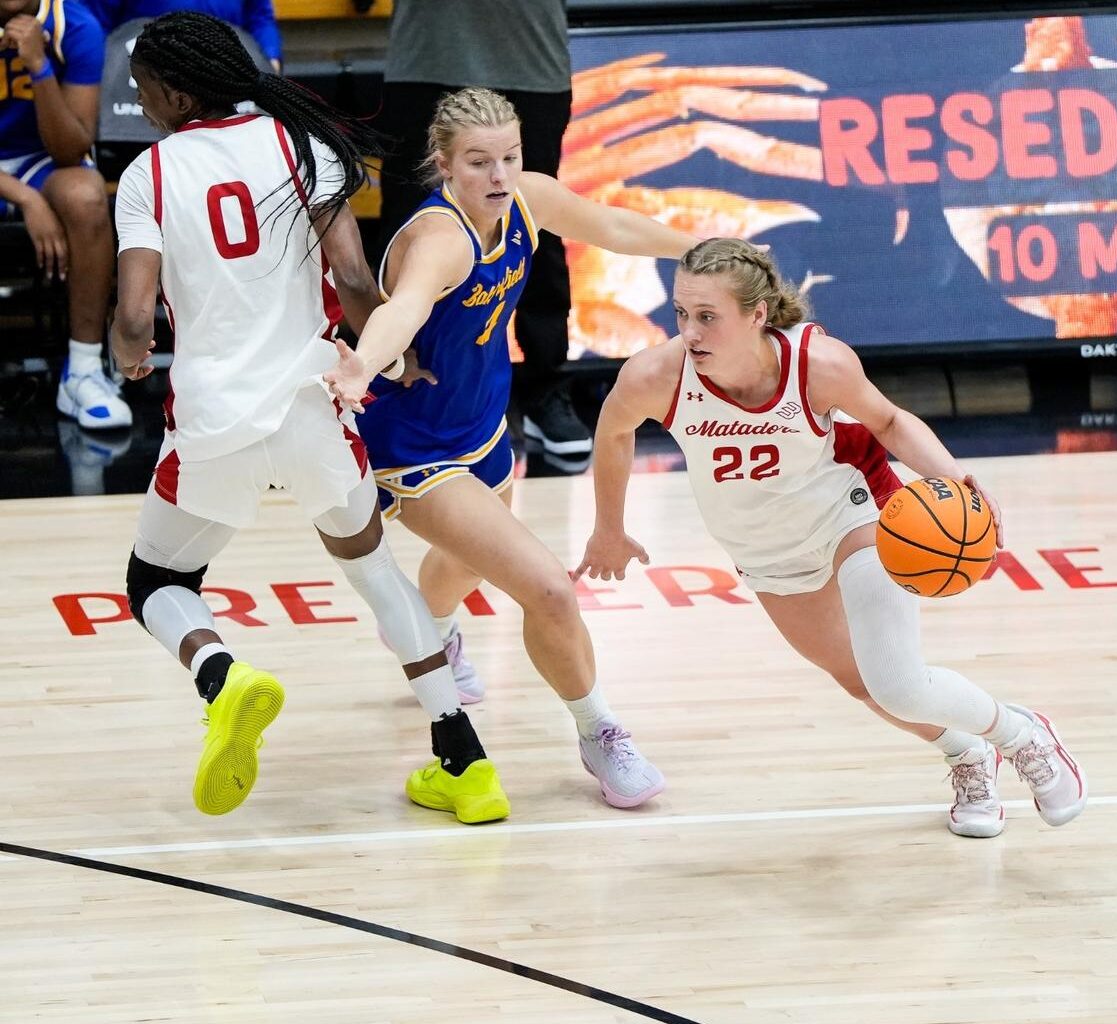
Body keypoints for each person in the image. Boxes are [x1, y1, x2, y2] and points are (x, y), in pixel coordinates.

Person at [109, 13, 507, 825]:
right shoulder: (307, 146)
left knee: (157, 582)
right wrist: (395, 360)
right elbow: (357, 283)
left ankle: (222, 676)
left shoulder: (149, 174)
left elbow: (134, 313)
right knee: (375, 573)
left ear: (177, 91)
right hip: (315, 409)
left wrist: (128, 356)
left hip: (216, 423)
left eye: (145, 88)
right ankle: (463, 760)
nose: (140, 102)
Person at [575, 239, 1088, 838]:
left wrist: (954, 478)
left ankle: (1024, 736)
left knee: (897, 681)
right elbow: (612, 433)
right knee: (863, 684)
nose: (689, 331)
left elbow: (890, 420)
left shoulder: (818, 363)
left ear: (757, 315)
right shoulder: (656, 376)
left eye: (708, 316)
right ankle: (968, 755)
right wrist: (608, 527)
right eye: (682, 314)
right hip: (765, 549)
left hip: (855, 511)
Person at [323, 87, 699, 810]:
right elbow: (402, 308)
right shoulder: (439, 238)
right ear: (444, 165)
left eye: (509, 157)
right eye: (477, 162)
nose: (498, 176)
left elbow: (612, 225)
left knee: (464, 561)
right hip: (415, 442)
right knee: (548, 588)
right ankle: (601, 733)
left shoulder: (526, 199)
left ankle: (428, 631)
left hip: (484, 422)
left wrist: (698, 247)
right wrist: (363, 365)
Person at [379, 0, 591, 464]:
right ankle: (391, 372)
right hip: (428, 55)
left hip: (528, 57)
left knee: (538, 223)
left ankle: (545, 389)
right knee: (410, 231)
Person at [0, 0, 122, 430]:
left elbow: (72, 148)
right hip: (13, 177)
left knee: (87, 196)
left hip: (38, 158)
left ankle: (84, 370)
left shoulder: (76, 25)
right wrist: (27, 200)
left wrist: (39, 67)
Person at [80, 1, 282, 69]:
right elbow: (99, 24)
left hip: (226, 72)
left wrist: (271, 58)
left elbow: (260, 17)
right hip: (145, 83)